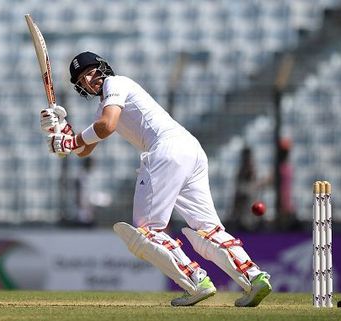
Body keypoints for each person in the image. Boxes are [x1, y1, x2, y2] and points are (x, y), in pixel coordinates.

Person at [39, 51, 271, 307]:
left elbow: (106, 127)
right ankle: (254, 277)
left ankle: (196, 281)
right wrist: (62, 129)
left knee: (147, 230)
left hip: (166, 150)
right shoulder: (105, 102)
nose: (89, 80)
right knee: (208, 229)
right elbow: (85, 149)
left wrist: (71, 141)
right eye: (82, 79)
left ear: (103, 68)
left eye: (91, 72)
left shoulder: (116, 83)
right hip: (189, 149)